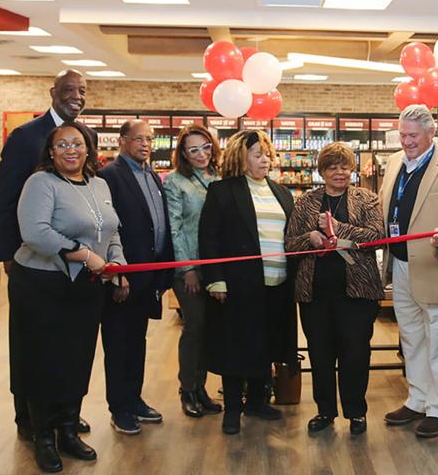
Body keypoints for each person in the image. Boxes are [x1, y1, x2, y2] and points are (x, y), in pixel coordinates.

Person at [9, 122, 127, 473]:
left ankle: (68, 429)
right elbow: (35, 233)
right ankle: (43, 437)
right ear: (51, 151)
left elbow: (110, 230)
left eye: (77, 144)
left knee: (77, 358)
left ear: (89, 150)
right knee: (44, 361)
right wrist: (84, 254)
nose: (70, 150)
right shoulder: (41, 184)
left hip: (86, 287)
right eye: (62, 145)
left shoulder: (100, 184)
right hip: (41, 285)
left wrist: (117, 262)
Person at [0, 69, 95, 441]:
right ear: (53, 92)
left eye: (82, 91)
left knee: (69, 343)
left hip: (75, 268)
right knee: (31, 343)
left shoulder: (88, 136)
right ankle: (30, 420)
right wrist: (6, 253)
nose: (77, 97)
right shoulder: (25, 137)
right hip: (33, 262)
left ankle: (65, 413)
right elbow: (3, 199)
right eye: (70, 90)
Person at [380, 104, 438, 439]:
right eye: (402, 135)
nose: (406, 141)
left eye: (413, 136)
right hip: (400, 265)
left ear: (432, 133)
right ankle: (417, 399)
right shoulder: (393, 162)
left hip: (437, 267)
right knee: (412, 338)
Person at [198, 130, 297, 435]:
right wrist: (215, 280)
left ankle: (257, 401)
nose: (265, 159)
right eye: (257, 154)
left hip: (277, 283)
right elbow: (209, 237)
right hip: (240, 284)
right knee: (236, 346)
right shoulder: (223, 190)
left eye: (267, 153)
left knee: (265, 344)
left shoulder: (282, 192)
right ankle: (233, 409)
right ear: (241, 158)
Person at [285, 142, 385, 436]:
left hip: (357, 294)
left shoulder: (366, 200)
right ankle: (325, 411)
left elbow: (376, 236)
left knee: (356, 354)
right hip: (314, 294)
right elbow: (290, 243)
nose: (339, 172)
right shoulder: (305, 202)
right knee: (320, 354)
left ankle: (357, 413)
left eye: (344, 166)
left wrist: (338, 227)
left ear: (352, 169)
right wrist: (311, 237)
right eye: (332, 167)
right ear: (322, 171)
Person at [96, 120, 174, 435]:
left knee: (136, 341)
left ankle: (135, 398)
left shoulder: (151, 174)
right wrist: (117, 271)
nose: (145, 144)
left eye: (149, 139)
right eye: (138, 138)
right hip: (123, 276)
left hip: (147, 275)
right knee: (118, 342)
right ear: (122, 140)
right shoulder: (109, 177)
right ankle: (120, 407)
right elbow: (107, 227)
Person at [163, 124, 223, 418]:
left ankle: (201, 388)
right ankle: (187, 389)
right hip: (190, 267)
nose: (201, 154)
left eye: (206, 147)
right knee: (195, 326)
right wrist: (187, 268)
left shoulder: (220, 177)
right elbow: (173, 227)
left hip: (217, 266)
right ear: (183, 154)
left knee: (211, 330)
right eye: (193, 150)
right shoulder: (174, 182)